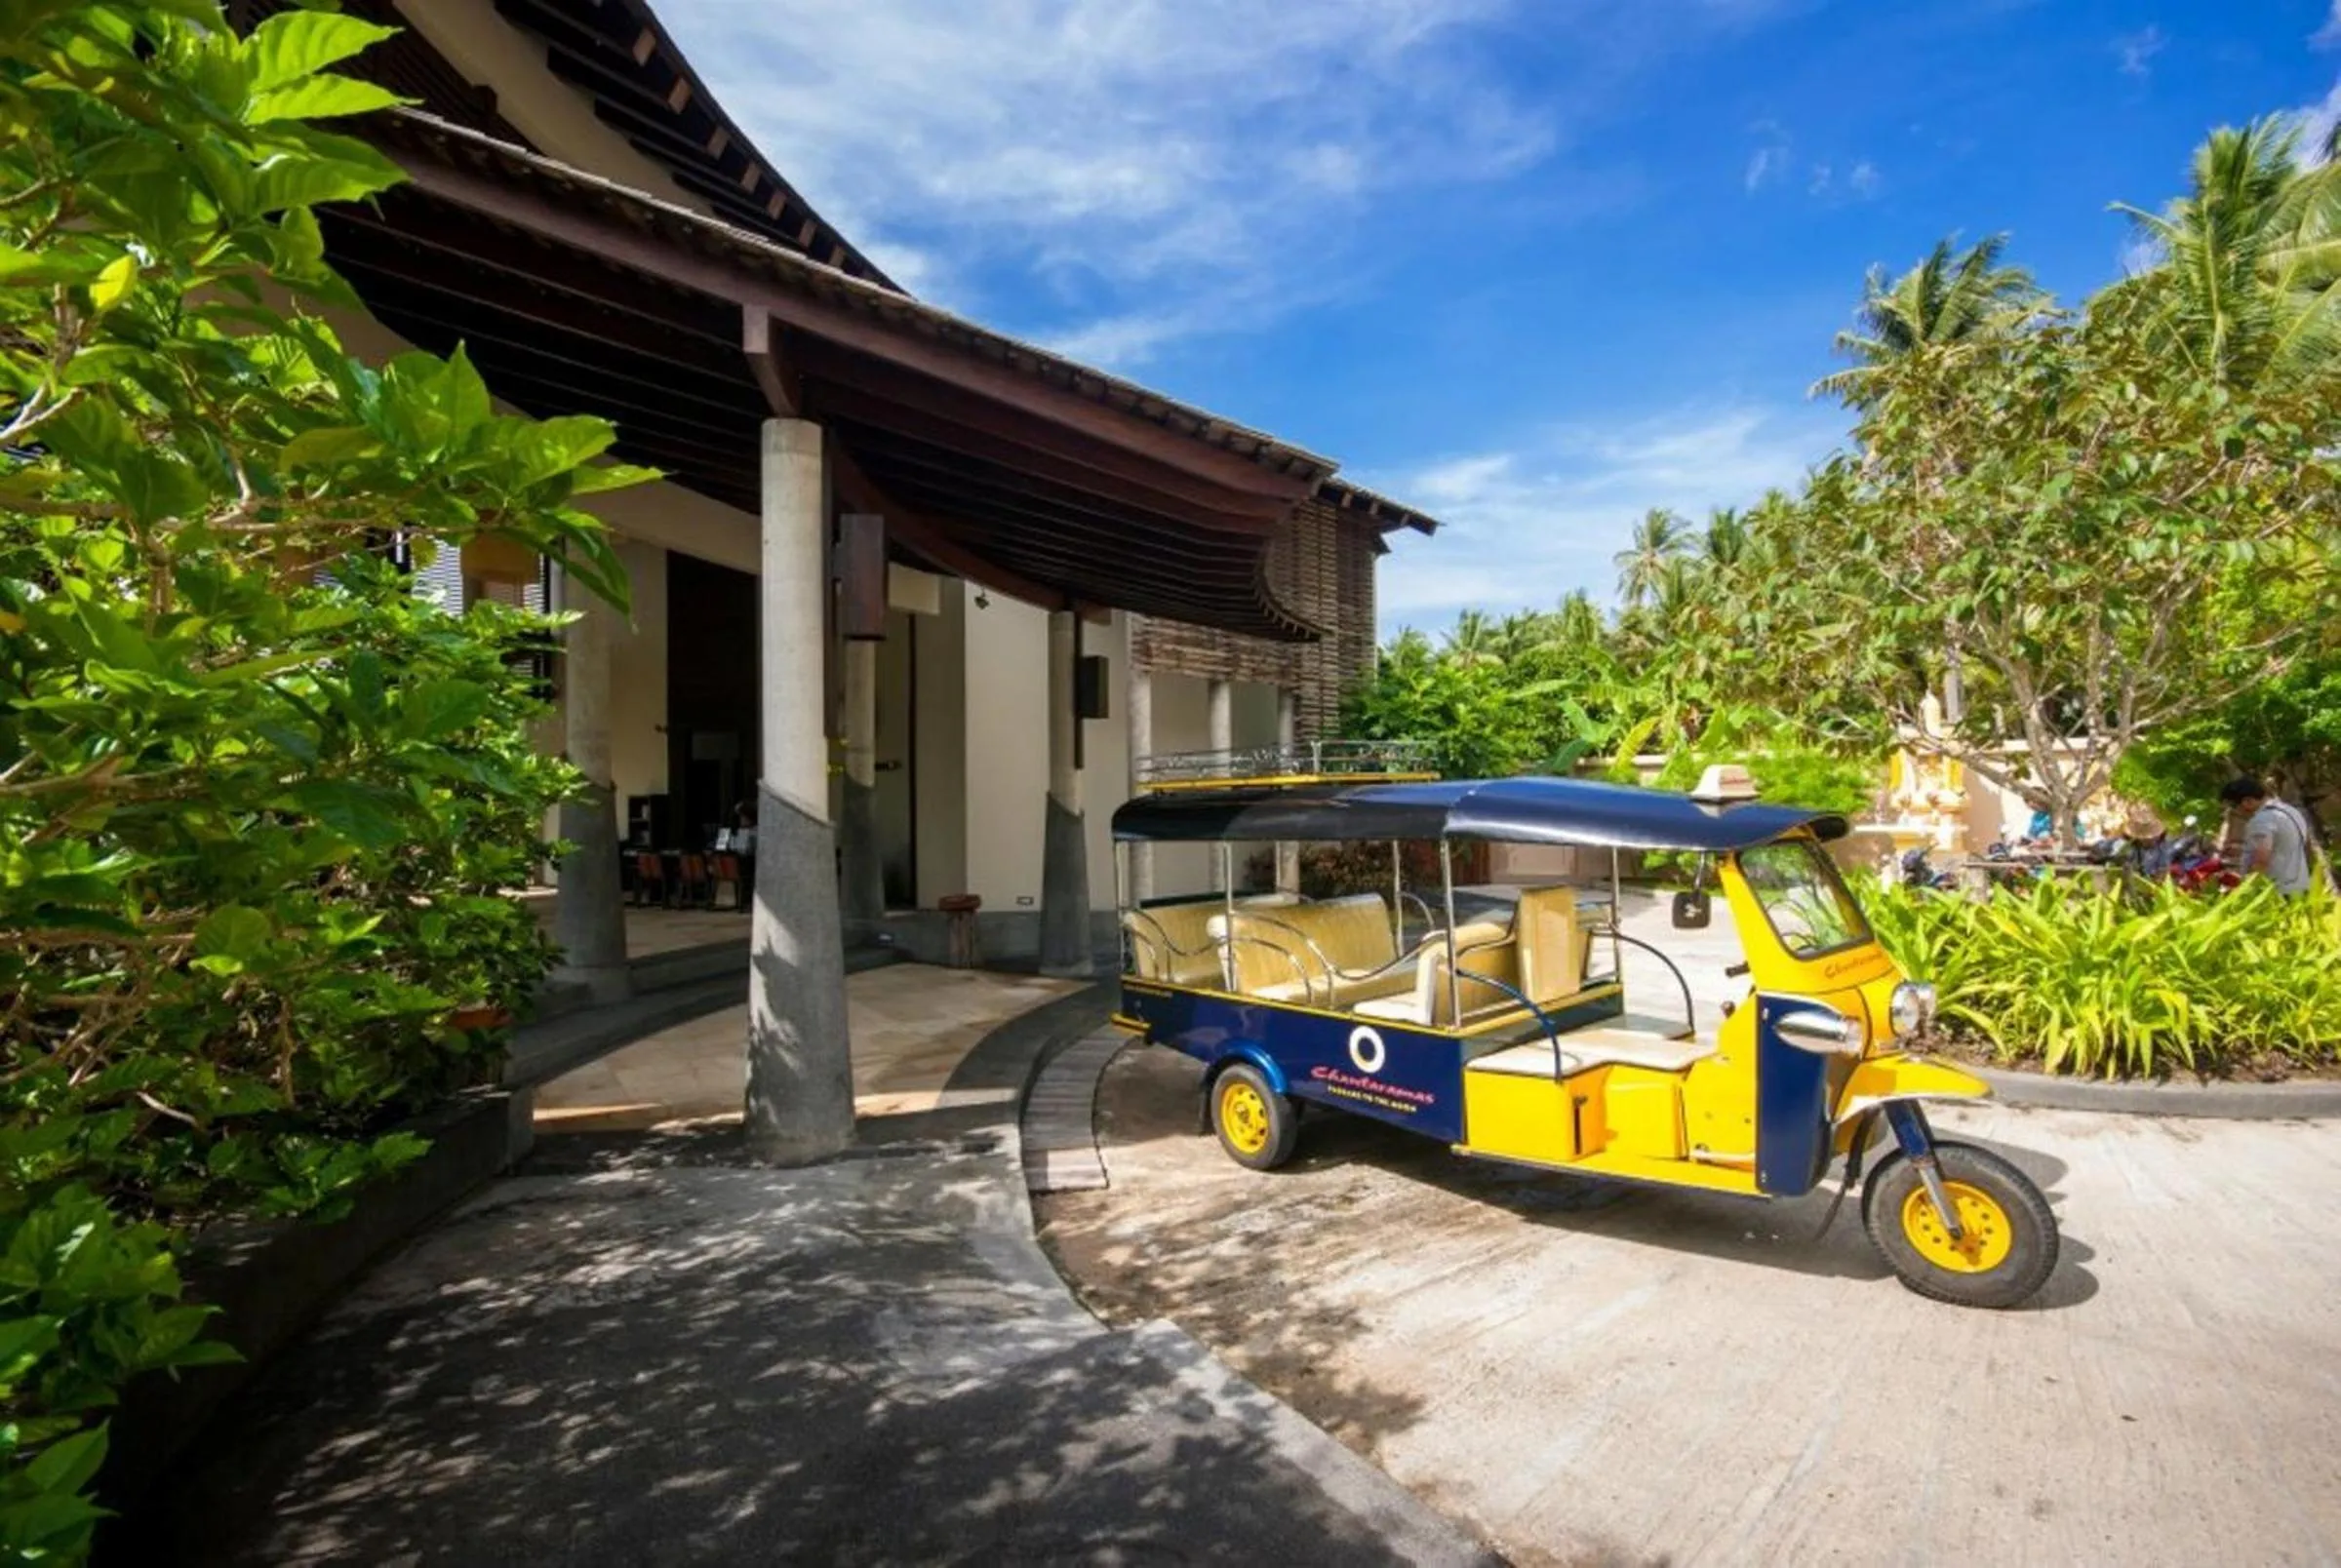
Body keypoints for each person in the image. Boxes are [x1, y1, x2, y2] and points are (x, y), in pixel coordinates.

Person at [2218, 776, 2314, 895]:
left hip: (2277, 892)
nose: (2234, 812)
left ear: (2248, 801)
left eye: (2233, 807)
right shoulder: (2290, 811)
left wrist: (2247, 891)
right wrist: (2242, 850)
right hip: (2300, 886)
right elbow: (2283, 847)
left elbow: (2261, 861)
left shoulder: (2261, 820)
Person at [2121, 803, 2176, 879]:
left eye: (2151, 837)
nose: (2148, 840)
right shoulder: (2132, 847)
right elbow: (2126, 864)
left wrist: (2159, 874)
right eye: (2144, 839)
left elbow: (2164, 867)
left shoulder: (2162, 846)